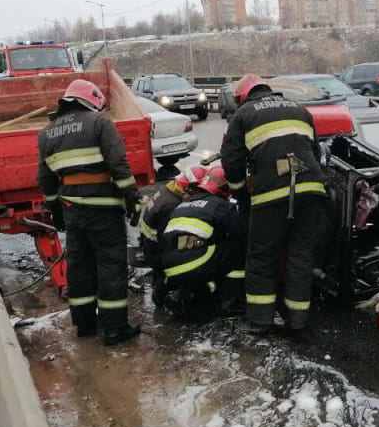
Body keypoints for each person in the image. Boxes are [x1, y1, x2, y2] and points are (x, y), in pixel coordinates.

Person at [36, 79, 141, 346]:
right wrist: (132, 198)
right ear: (91, 99)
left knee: (79, 267)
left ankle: (84, 324)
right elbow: (118, 164)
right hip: (103, 208)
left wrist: (56, 210)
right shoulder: (99, 123)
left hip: (72, 209)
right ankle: (115, 329)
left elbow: (46, 178)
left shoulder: (47, 133)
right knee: (110, 265)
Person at [220, 74, 326, 334]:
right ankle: (298, 322)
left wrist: (241, 197)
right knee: (300, 256)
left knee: (260, 257)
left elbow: (231, 163)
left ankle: (259, 322)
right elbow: (315, 151)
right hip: (311, 190)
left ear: (242, 96)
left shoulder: (243, 114)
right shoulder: (299, 109)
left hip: (271, 196)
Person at [157, 166, 246, 320]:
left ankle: (181, 293)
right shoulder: (221, 205)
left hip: (170, 269)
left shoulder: (182, 204)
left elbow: (161, 239)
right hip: (196, 266)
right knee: (239, 248)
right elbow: (243, 233)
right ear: (224, 188)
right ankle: (230, 298)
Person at [136, 165, 197, 306]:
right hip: (156, 245)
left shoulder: (168, 191)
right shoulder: (171, 205)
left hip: (149, 241)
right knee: (164, 274)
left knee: (159, 273)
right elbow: (169, 237)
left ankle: (160, 296)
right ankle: (161, 300)